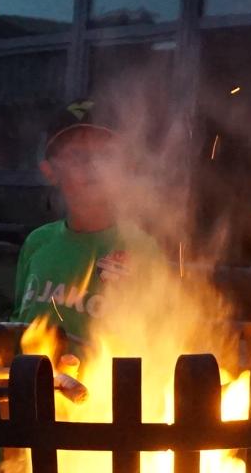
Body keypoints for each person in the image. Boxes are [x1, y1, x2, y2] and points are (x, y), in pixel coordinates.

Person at [11, 103, 160, 368]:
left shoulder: (142, 250)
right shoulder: (38, 243)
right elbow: (18, 327)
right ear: (51, 171)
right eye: (78, 156)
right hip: (29, 400)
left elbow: (159, 341)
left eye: (105, 155)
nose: (93, 166)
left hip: (97, 404)